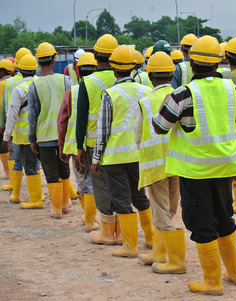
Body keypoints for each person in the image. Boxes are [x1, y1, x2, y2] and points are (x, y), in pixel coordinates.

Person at [152, 35, 236, 295]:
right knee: (225, 219)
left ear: (191, 63)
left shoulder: (182, 94)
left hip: (195, 171)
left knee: (201, 223)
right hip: (226, 166)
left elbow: (159, 127)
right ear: (218, 63)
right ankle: (234, 272)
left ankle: (212, 282)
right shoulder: (232, 90)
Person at [90, 45, 153, 258]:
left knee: (122, 200)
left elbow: (102, 130)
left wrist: (95, 159)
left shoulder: (109, 94)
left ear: (114, 70)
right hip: (139, 155)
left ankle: (130, 246)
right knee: (140, 197)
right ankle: (151, 238)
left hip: (115, 157)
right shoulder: (146, 90)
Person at [134, 51, 186, 273]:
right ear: (172, 73)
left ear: (150, 75)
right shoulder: (182, 96)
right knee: (169, 209)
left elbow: (137, 135)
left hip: (155, 164)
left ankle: (174, 259)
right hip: (178, 161)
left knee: (161, 211)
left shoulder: (145, 102)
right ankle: (159, 250)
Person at [76, 34, 119, 243]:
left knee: (101, 186)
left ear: (95, 56)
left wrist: (79, 146)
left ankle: (107, 232)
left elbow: (81, 118)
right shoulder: (126, 77)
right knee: (121, 186)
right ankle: (121, 232)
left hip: (94, 144)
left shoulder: (88, 82)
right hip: (120, 144)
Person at [28, 42, 73, 219]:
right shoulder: (66, 80)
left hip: (44, 135)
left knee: (50, 170)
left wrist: (32, 138)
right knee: (64, 167)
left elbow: (33, 116)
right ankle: (65, 202)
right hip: (64, 135)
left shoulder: (35, 86)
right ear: (54, 60)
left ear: (38, 62)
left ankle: (56, 209)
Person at [58, 52, 98, 232]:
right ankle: (91, 218)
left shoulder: (71, 92)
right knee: (94, 181)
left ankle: (89, 219)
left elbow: (62, 122)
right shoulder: (104, 88)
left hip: (76, 145)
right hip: (100, 143)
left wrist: (61, 145)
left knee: (82, 181)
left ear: (78, 70)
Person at [2, 54, 43, 209]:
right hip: (44, 133)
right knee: (43, 166)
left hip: (25, 136)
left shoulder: (19, 89)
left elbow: (11, 114)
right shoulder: (41, 83)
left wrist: (6, 136)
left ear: (19, 69)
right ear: (35, 69)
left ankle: (36, 200)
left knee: (30, 166)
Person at [0, 48, 32, 192]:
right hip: (38, 130)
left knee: (15, 158)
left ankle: (15, 188)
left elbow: (6, 108)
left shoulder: (10, 84)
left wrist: (5, 129)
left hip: (16, 129)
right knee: (35, 163)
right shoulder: (38, 80)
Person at [0, 59, 15, 180]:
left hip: (4, 120)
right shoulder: (14, 81)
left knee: (4, 146)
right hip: (14, 119)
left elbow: (1, 104)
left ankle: (8, 172)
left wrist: (2, 122)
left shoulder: (2, 84)